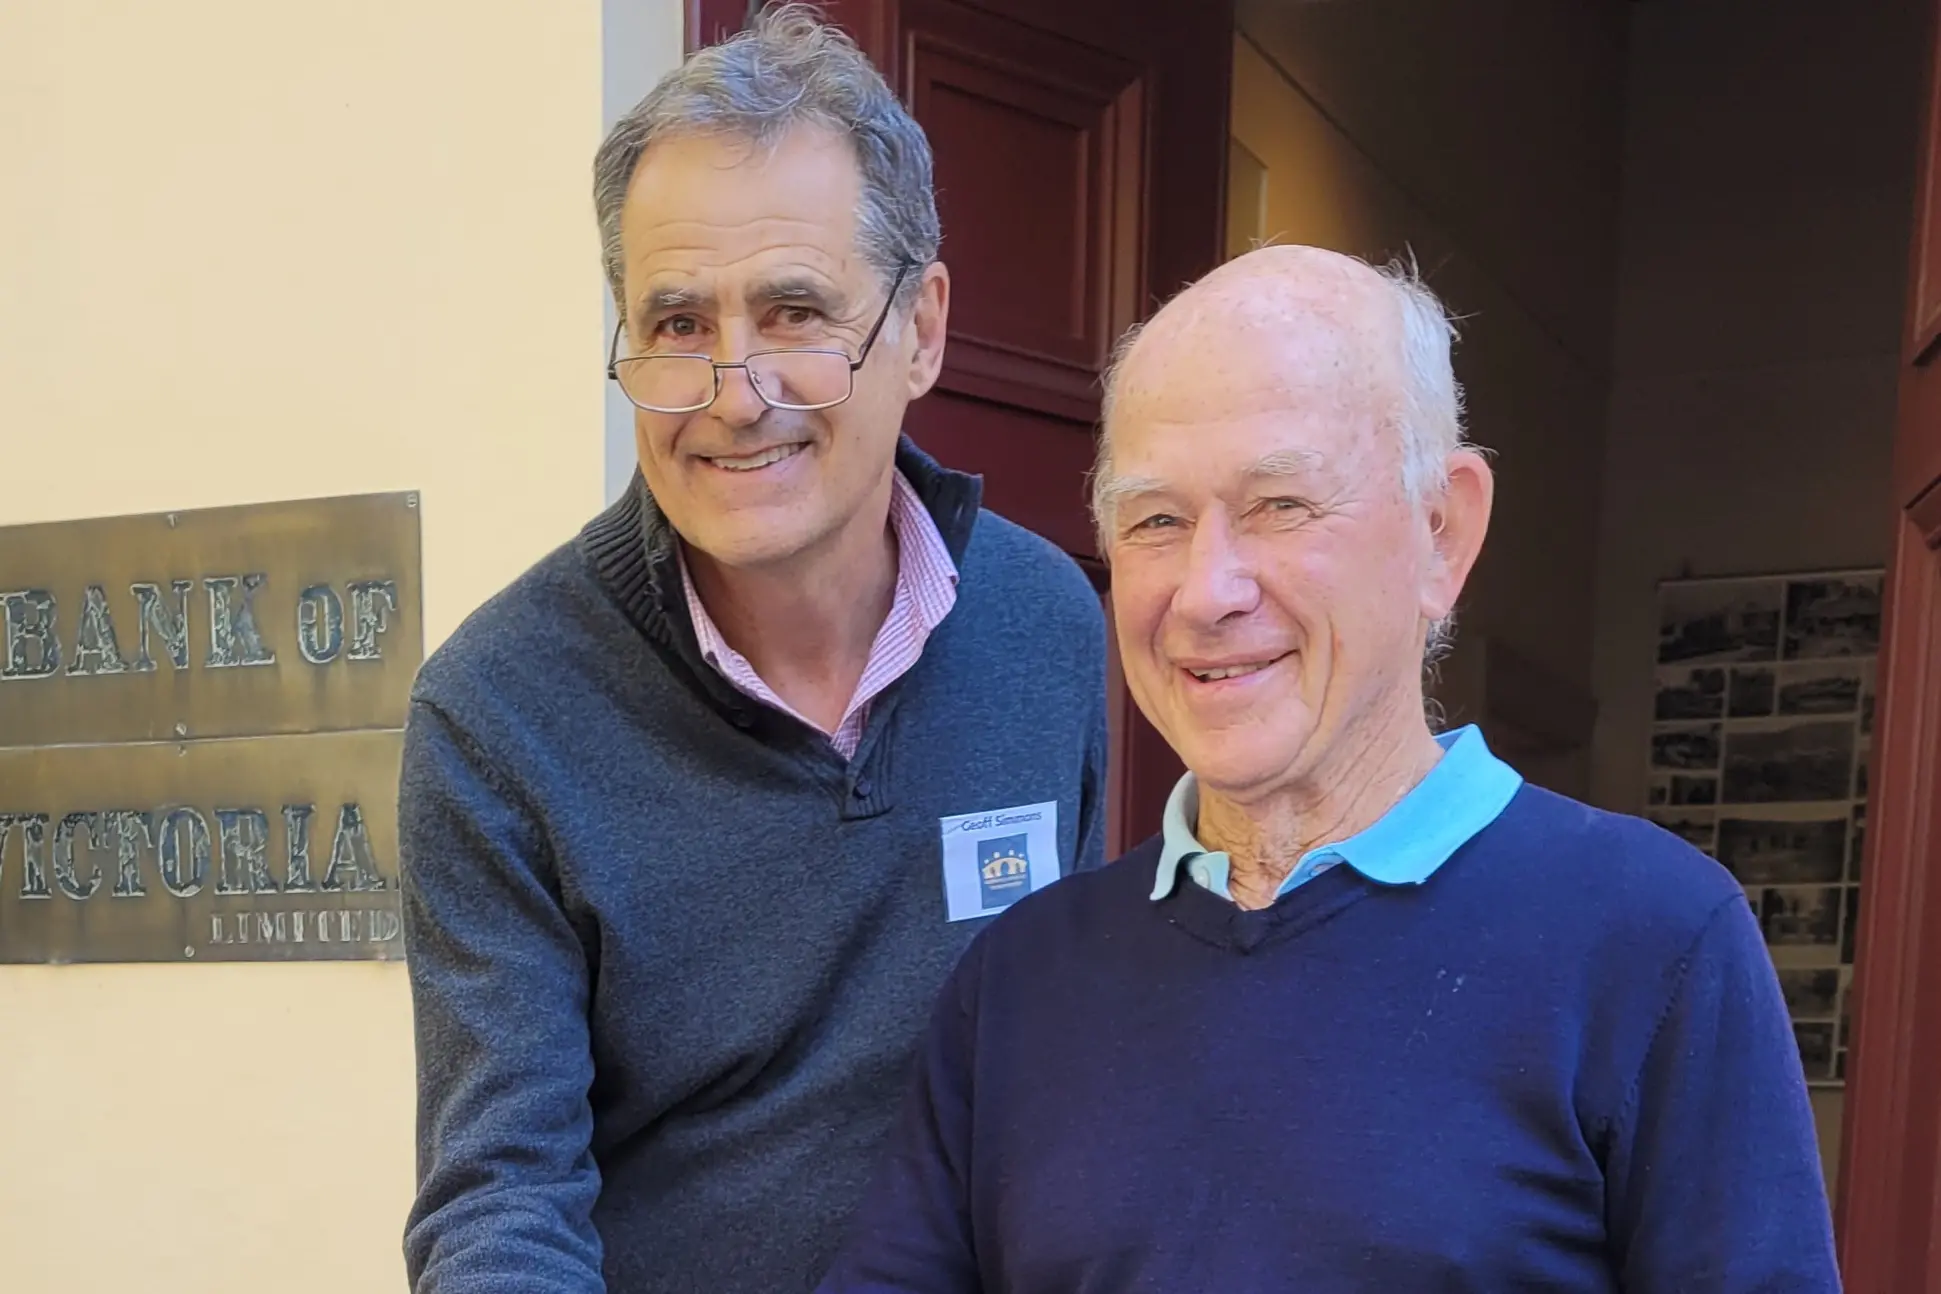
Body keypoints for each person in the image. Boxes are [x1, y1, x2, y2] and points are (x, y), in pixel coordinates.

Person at [818, 245, 1840, 1292]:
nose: (1208, 590)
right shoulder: (1022, 979)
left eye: (1281, 506)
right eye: (1157, 520)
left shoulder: (1655, 942)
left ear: (1443, 532)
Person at [397, 10, 1110, 1292]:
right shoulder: (496, 714)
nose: (734, 391)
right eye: (677, 323)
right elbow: (502, 1200)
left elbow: (1080, 1058)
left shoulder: (1047, 627)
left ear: (924, 327)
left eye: (793, 312)